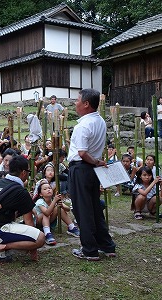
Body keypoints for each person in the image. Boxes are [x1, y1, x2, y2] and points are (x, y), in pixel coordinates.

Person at [67, 88, 116, 261]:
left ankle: (89, 249)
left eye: (77, 100)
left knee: (83, 210)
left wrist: (96, 161)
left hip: (81, 168)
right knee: (95, 207)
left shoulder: (83, 125)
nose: (75, 103)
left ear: (86, 104)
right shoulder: (100, 121)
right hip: (91, 170)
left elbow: (82, 153)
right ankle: (106, 245)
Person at [0, 155, 45, 262]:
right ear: (23, 172)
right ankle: (0, 247)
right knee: (40, 238)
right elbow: (29, 222)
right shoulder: (21, 191)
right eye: (28, 171)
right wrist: (33, 248)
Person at [33, 180, 79, 246]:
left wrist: (62, 206)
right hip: (39, 222)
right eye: (45, 189)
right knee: (44, 214)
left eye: (49, 188)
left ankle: (71, 227)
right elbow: (46, 213)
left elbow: (68, 209)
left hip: (49, 220)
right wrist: (54, 201)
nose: (48, 190)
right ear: (40, 194)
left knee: (58, 208)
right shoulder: (40, 201)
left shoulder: (53, 200)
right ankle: (47, 234)